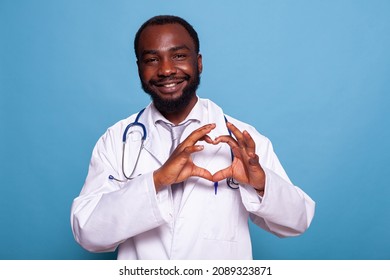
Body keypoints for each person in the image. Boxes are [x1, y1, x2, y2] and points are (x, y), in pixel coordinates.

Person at [70, 15, 315, 260]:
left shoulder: (242, 140)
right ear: (139, 69)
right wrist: (156, 181)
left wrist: (261, 183)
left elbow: (297, 222)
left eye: (178, 56)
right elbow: (88, 232)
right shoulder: (117, 140)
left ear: (199, 63)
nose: (166, 69)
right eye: (152, 59)